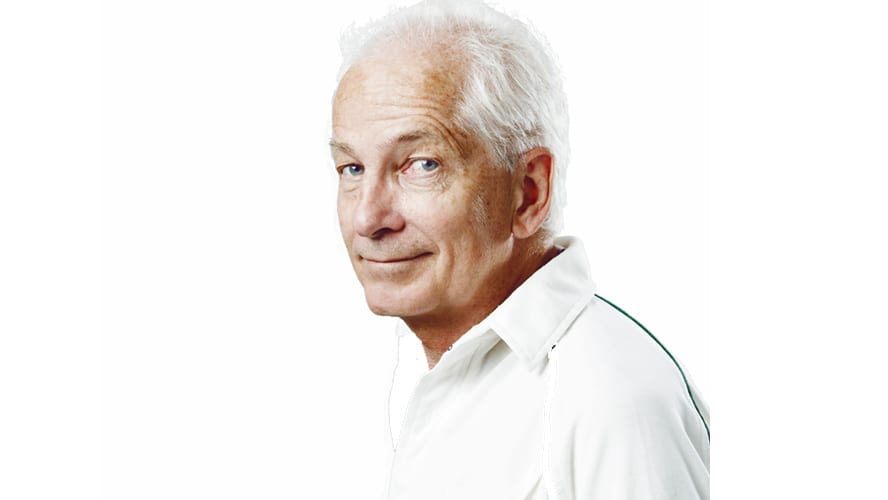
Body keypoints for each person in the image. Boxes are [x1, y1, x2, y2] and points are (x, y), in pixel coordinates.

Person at [329, 0, 710, 498]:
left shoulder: (612, 399)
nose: (368, 218)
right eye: (352, 169)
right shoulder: (425, 371)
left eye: (422, 164)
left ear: (528, 191)